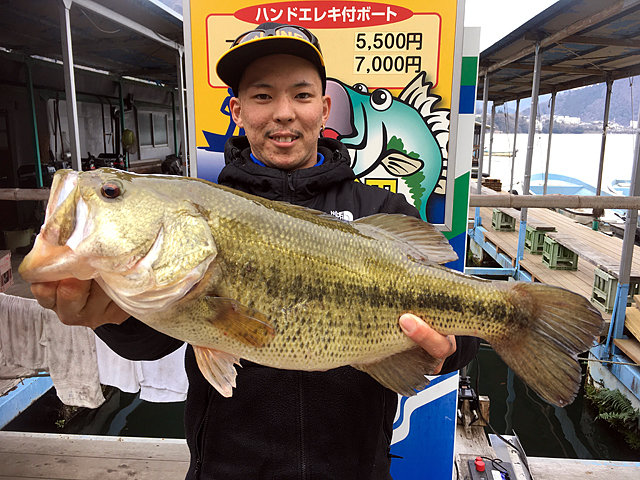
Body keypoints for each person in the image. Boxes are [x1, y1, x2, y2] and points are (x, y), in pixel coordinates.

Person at [30, 22, 479, 479]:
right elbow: (148, 341)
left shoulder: (380, 209)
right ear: (237, 110)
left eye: (302, 96)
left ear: (324, 109)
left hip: (356, 466)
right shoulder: (203, 207)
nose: (284, 113)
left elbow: (461, 333)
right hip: (229, 468)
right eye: (263, 96)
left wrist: (447, 351)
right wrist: (108, 313)